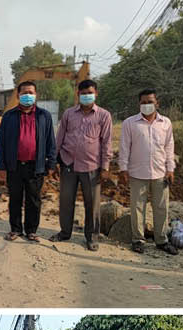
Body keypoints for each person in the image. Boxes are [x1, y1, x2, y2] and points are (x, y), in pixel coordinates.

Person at [53, 79, 112, 251]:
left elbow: (107, 142)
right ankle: (65, 232)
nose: (86, 96)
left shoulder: (103, 115)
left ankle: (92, 237)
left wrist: (106, 166)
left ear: (96, 94)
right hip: (68, 163)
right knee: (66, 200)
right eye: (83, 93)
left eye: (90, 93)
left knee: (92, 203)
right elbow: (60, 137)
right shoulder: (69, 114)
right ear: (78, 94)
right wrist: (54, 160)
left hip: (92, 166)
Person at [119, 89, 177, 255]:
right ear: (139, 104)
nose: (147, 105)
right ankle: (138, 240)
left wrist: (170, 168)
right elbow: (124, 148)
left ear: (157, 103)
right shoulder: (130, 123)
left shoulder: (166, 123)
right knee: (137, 208)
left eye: (150, 102)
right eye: (143, 102)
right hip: (137, 173)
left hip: (160, 173)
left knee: (161, 208)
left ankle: (161, 240)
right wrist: (123, 169)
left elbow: (169, 147)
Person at [0, 80, 55, 242]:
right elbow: (1, 143)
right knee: (15, 198)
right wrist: (1, 166)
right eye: (24, 93)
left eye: (31, 93)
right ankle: (15, 229)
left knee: (34, 200)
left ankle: (31, 230)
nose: (27, 96)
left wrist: (51, 163)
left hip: (35, 166)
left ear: (36, 95)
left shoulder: (44, 116)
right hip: (14, 166)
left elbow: (51, 141)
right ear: (18, 95)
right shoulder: (9, 116)